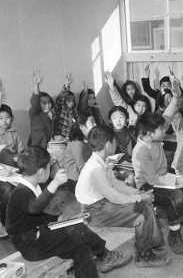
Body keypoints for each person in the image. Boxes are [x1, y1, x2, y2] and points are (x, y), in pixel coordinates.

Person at [6, 146, 131, 278]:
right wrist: (54, 183)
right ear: (42, 171)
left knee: (82, 247)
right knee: (78, 230)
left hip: (39, 236)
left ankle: (102, 261)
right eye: (50, 167)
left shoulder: (32, 186)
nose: (51, 169)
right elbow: (34, 208)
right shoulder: (20, 191)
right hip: (32, 246)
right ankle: (105, 255)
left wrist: (57, 219)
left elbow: (35, 216)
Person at [132, 78, 183, 255]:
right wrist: (178, 180)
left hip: (162, 178)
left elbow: (171, 108)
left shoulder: (153, 132)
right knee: (177, 195)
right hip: (148, 186)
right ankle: (174, 233)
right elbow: (152, 179)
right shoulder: (141, 152)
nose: (165, 131)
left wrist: (177, 92)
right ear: (149, 134)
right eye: (162, 130)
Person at [75, 125, 172, 268]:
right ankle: (143, 256)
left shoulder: (100, 161)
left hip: (100, 204)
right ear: (109, 144)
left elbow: (115, 184)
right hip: (94, 211)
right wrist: (139, 198)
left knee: (145, 206)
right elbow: (114, 197)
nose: (115, 144)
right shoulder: (95, 168)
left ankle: (151, 243)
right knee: (142, 212)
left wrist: (137, 193)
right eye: (114, 141)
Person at [0, 103, 25, 225]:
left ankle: (22, 217)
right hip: (1, 174)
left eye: (8, 117)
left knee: (27, 184)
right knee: (7, 189)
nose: (5, 121)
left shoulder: (14, 133)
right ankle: (6, 221)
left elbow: (22, 153)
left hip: (13, 170)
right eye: (0, 118)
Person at [106, 71, 151, 136]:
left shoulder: (147, 118)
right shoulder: (129, 110)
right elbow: (118, 100)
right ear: (134, 104)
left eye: (144, 106)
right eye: (138, 105)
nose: (140, 108)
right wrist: (112, 87)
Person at [62, 112, 96, 186]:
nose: (95, 125)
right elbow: (82, 167)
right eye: (92, 122)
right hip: (75, 180)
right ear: (82, 127)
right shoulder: (77, 144)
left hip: (82, 175)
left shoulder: (86, 139)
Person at [28, 71, 55, 148]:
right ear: (39, 104)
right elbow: (35, 100)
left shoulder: (52, 115)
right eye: (44, 103)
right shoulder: (34, 113)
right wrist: (36, 85)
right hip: (36, 148)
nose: (47, 105)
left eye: (49, 102)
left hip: (49, 147)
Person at [53, 73, 77, 140]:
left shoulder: (73, 113)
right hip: (59, 139)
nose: (71, 103)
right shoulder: (61, 109)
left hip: (69, 139)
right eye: (68, 101)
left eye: (72, 101)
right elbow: (62, 98)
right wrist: (66, 85)